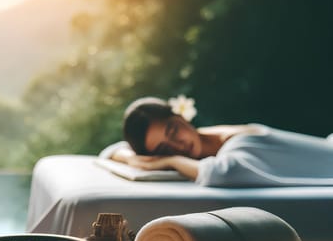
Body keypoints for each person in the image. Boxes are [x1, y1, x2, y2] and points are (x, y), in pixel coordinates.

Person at [109, 97, 333, 187]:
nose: (178, 144)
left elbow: (222, 173)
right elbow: (111, 151)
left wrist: (171, 160)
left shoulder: (236, 144)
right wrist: (144, 160)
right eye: (164, 148)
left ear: (180, 117)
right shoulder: (209, 138)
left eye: (173, 131)